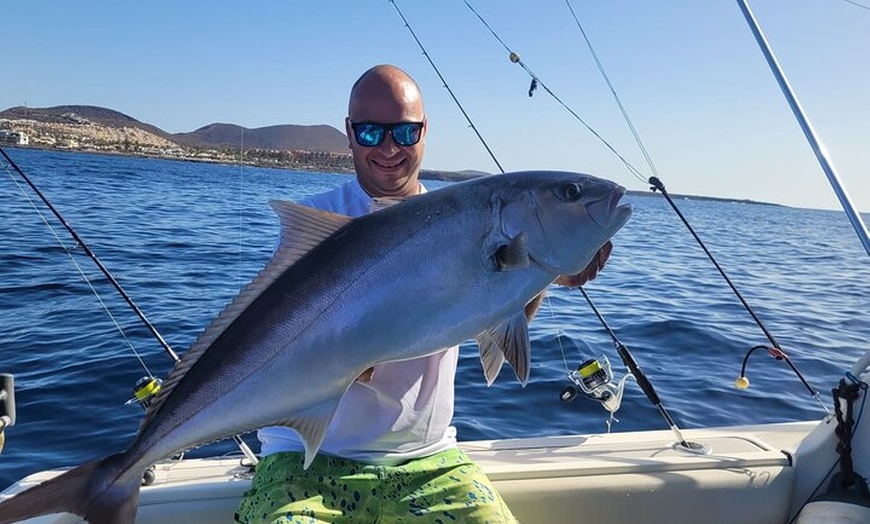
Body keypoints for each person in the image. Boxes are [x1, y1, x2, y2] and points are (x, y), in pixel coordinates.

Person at [235, 64, 611, 524]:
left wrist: (540, 276)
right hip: (304, 457)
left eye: (404, 131)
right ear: (350, 133)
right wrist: (343, 358)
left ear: (425, 131)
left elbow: (492, 317)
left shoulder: (460, 220)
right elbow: (282, 344)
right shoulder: (317, 223)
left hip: (428, 461)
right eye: (372, 132)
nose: (389, 147)